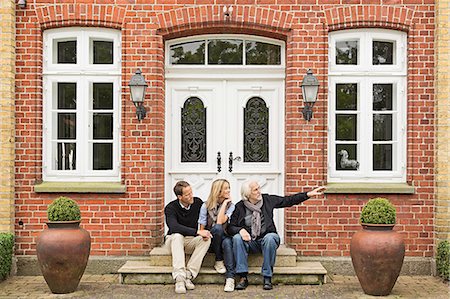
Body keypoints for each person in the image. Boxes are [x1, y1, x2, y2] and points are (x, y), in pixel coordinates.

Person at [227, 180, 326, 291]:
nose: (259, 191)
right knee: (236, 238)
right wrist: (240, 230)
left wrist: (308, 194)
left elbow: (288, 200)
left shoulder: (267, 200)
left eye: (259, 188)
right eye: (256, 190)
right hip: (250, 241)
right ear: (248, 194)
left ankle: (267, 277)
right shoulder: (240, 207)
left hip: (267, 239)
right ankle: (243, 277)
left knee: (270, 237)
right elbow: (230, 227)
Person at [164, 181, 212, 294]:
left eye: (191, 192)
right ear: (179, 197)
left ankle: (188, 274)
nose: (191, 196)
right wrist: (197, 232)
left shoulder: (198, 203)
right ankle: (179, 278)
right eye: (187, 194)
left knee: (206, 238)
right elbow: (173, 226)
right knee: (177, 235)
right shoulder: (170, 208)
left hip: (190, 240)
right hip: (173, 241)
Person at [198, 179, 236, 292]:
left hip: (223, 237)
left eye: (229, 187)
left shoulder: (231, 206)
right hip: (209, 239)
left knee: (227, 242)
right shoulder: (205, 206)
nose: (228, 190)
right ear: (218, 191)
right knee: (217, 229)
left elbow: (220, 221)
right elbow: (201, 229)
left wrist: (224, 203)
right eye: (225, 188)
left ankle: (230, 278)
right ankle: (219, 259)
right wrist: (204, 235)